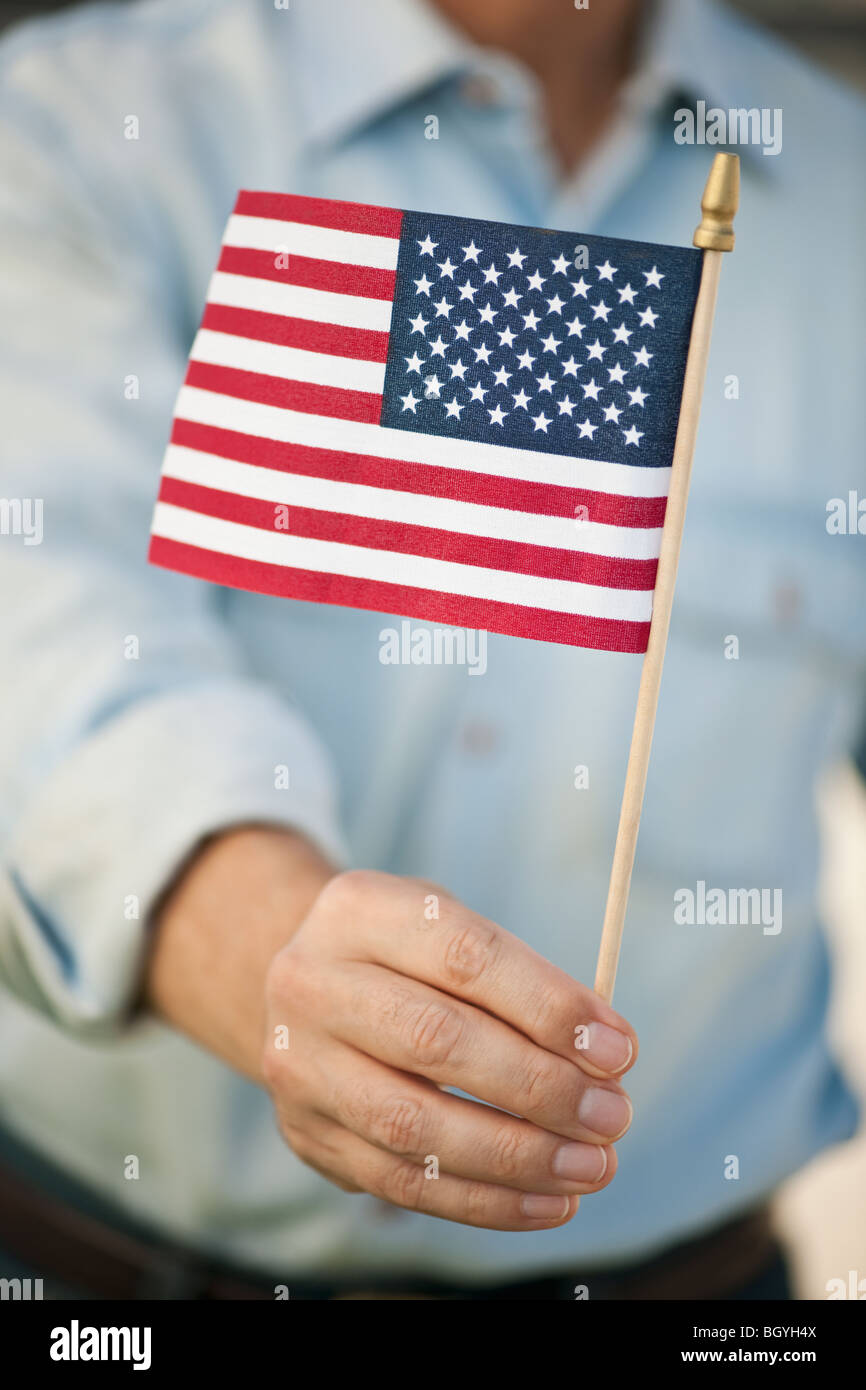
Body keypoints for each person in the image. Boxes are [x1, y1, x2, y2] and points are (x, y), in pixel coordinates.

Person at [0, 0, 863, 1301]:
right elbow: (37, 633)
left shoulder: (839, 193)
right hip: (100, 1281)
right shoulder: (80, 122)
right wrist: (270, 948)